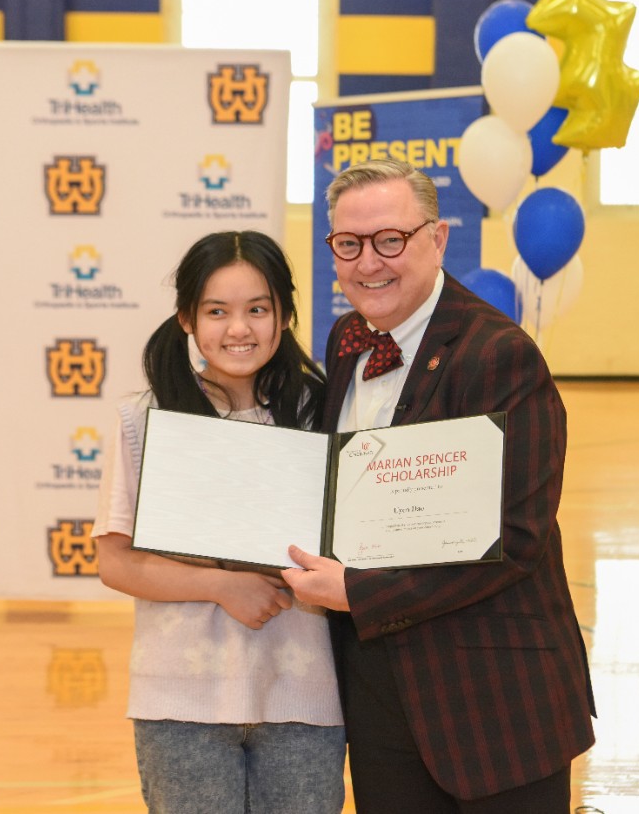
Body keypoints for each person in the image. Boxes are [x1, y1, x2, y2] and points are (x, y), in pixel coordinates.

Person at [281, 159, 595, 812]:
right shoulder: (346, 340)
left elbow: (516, 540)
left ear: (439, 238)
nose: (370, 262)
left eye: (391, 239)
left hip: (493, 704)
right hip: (380, 702)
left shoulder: (499, 356)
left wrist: (355, 591)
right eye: (349, 244)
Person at [92, 230, 345, 814]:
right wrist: (221, 585)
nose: (240, 329)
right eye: (217, 311)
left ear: (285, 316)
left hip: (302, 696)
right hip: (179, 699)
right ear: (186, 318)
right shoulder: (144, 417)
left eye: (258, 309)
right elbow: (114, 561)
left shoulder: (321, 413)